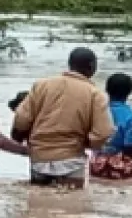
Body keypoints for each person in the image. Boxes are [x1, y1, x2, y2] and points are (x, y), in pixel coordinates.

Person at [11, 47, 114, 188]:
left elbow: (21, 120)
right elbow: (103, 133)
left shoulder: (41, 86)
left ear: (70, 64)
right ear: (91, 66)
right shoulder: (95, 94)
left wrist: (22, 140)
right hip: (72, 160)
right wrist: (87, 144)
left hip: (39, 159)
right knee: (71, 207)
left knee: (39, 205)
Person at [88, 73, 132, 181]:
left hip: (95, 163)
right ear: (130, 91)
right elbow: (129, 145)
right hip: (119, 166)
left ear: (107, 89)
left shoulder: (96, 111)